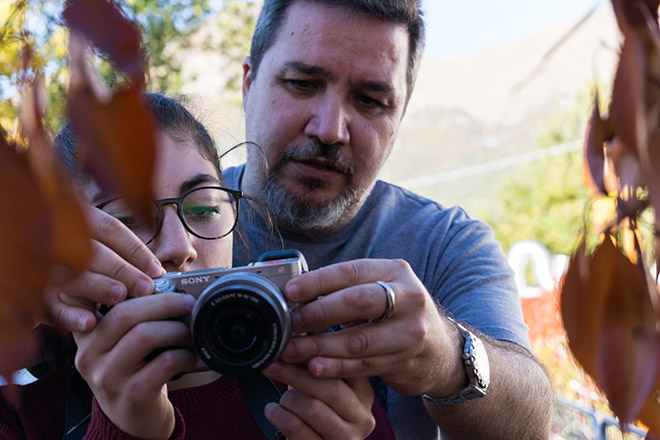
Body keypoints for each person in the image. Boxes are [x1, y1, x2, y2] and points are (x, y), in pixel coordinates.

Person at [221, 0, 555, 438]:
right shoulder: (161, 220)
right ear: (249, 85)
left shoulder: (449, 245)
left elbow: (532, 423)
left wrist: (446, 359)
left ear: (399, 117)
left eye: (370, 101)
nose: (329, 129)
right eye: (303, 83)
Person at [1, 93, 395, 439]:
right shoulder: (21, 415)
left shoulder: (318, 384)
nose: (179, 246)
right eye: (125, 219)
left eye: (205, 208)